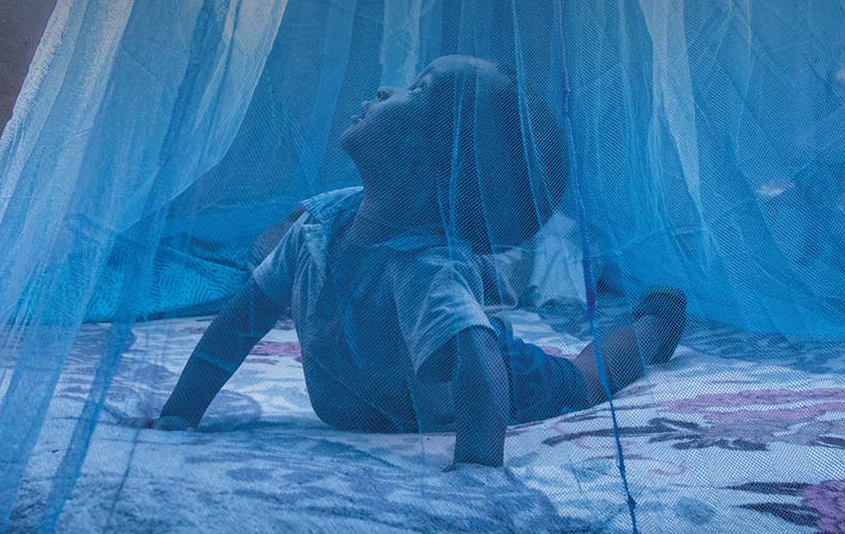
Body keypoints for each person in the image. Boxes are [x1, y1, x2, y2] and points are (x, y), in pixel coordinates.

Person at [145, 55, 686, 468]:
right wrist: (181, 412)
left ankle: (653, 328)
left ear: (439, 163)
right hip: (397, 387)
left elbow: (480, 365)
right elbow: (235, 326)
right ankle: (631, 320)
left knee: (582, 378)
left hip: (496, 380)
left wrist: (477, 468)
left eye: (419, 90)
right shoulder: (313, 232)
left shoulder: (425, 269)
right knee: (535, 353)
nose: (386, 89)